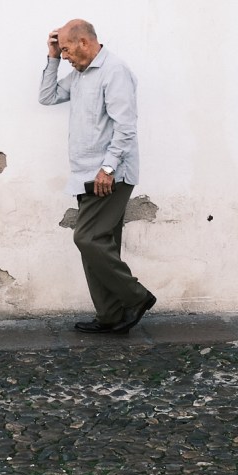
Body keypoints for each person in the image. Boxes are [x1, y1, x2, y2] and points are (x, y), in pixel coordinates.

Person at [39, 18, 156, 334]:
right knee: (101, 244)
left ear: (83, 43)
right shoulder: (79, 74)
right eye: (60, 50)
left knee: (87, 238)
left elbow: (126, 126)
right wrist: (51, 58)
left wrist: (108, 168)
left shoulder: (114, 71)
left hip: (108, 176)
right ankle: (111, 316)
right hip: (85, 175)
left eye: (65, 49)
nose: (64, 55)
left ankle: (137, 297)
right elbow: (47, 96)